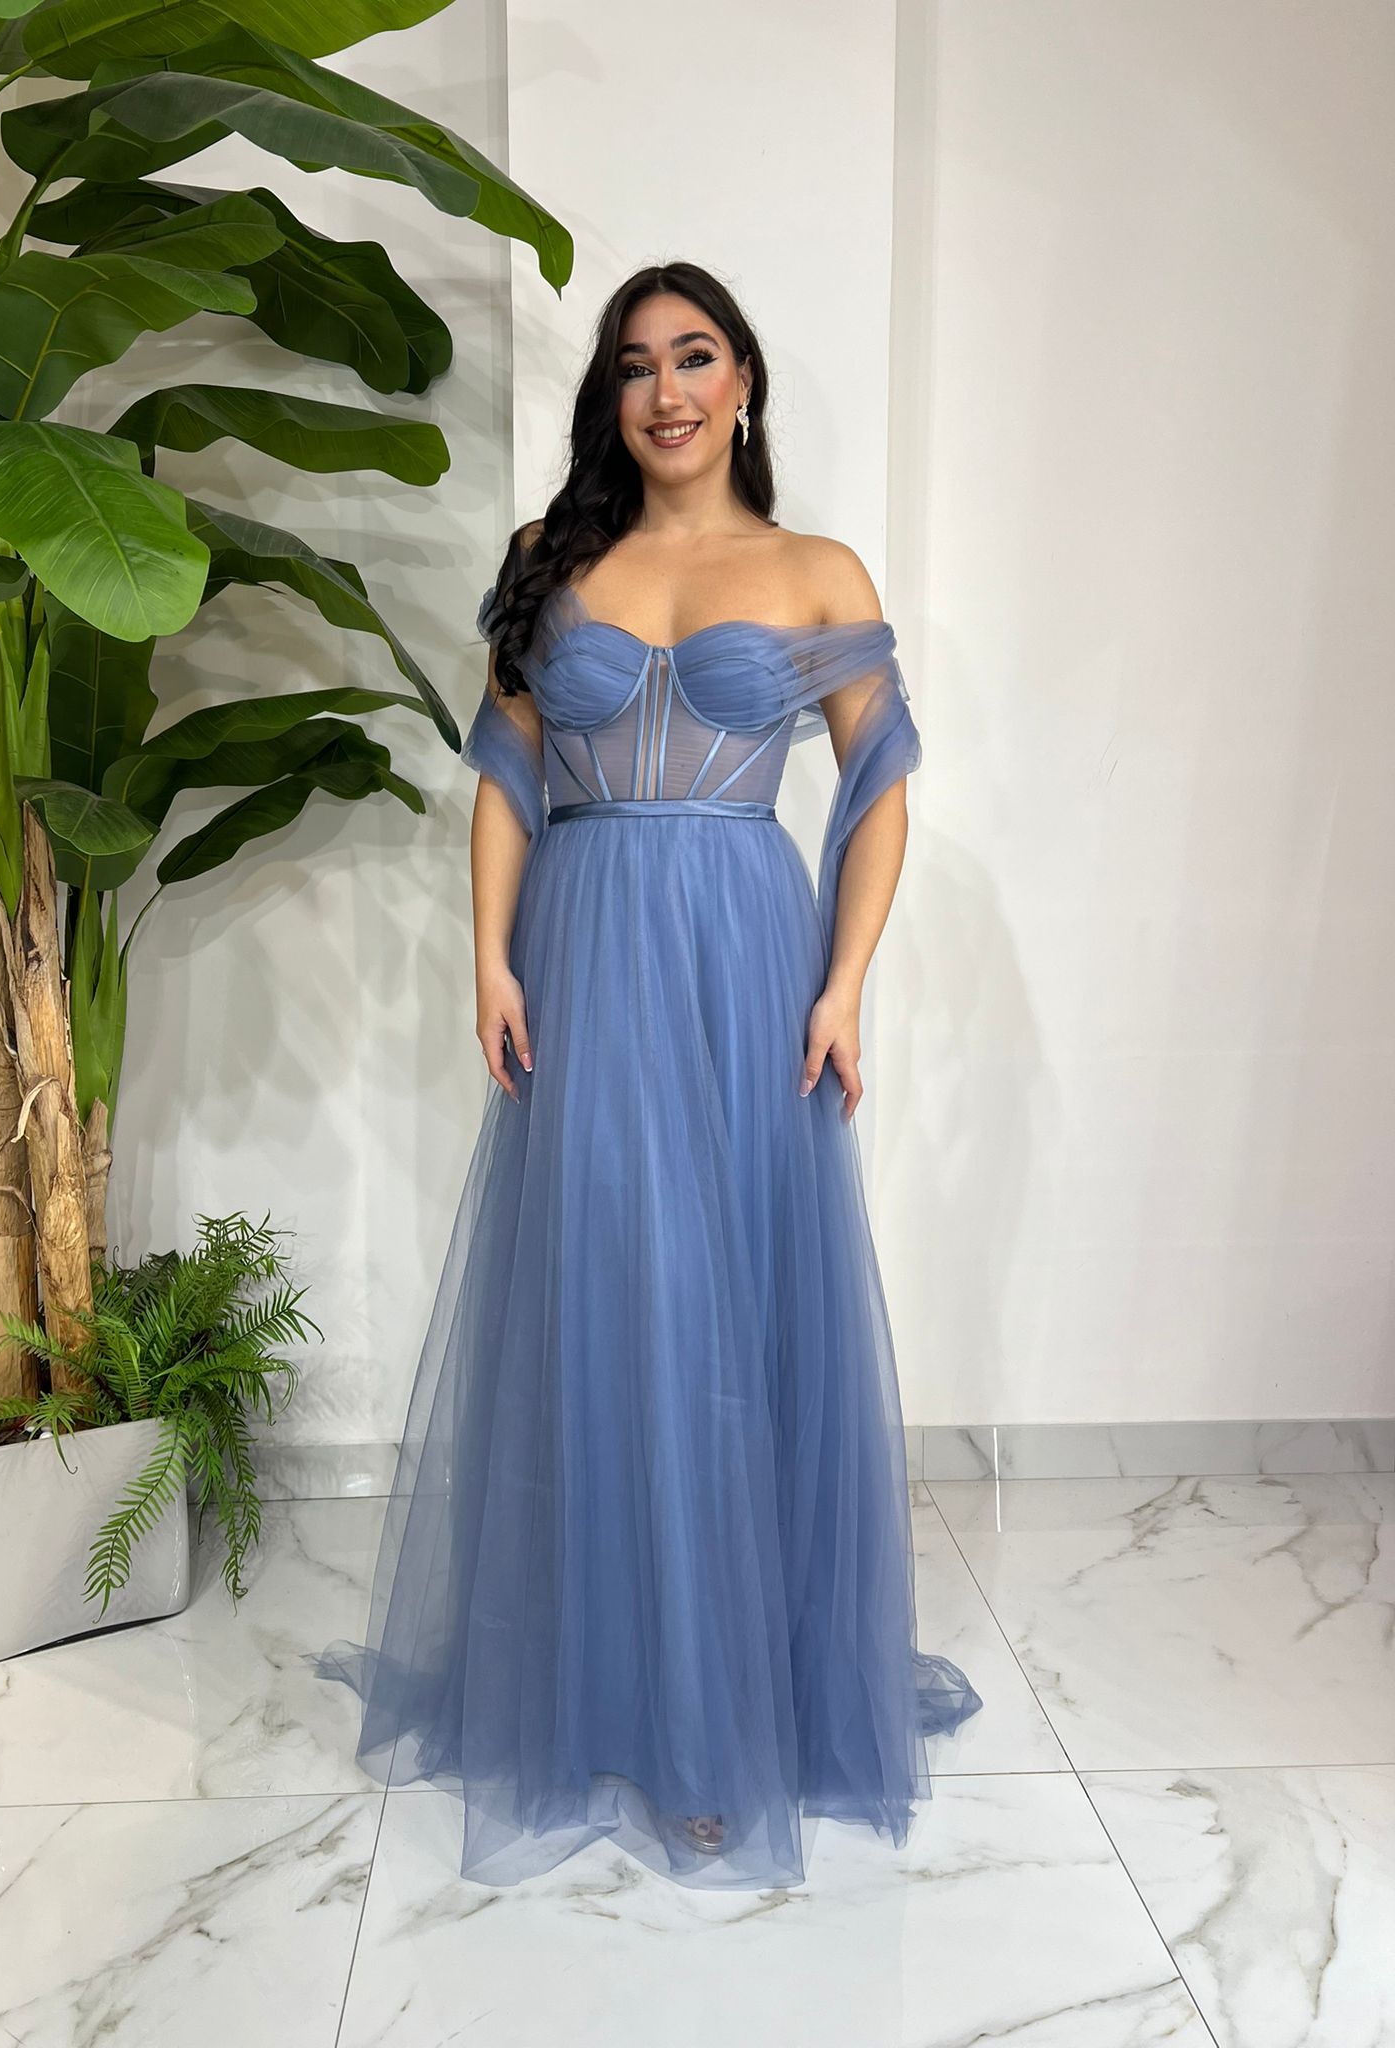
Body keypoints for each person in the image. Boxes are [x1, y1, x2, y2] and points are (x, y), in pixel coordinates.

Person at [314, 259, 982, 1891]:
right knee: (613, 1304)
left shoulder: (815, 571)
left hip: (747, 959)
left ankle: (718, 1714)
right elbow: (506, 772)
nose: (665, 390)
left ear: (743, 382)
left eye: (693, 357)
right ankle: (616, 1680)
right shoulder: (549, 558)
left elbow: (882, 784)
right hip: (589, 950)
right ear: (612, 398)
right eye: (634, 365)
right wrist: (490, 957)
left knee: (730, 1310)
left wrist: (843, 983)